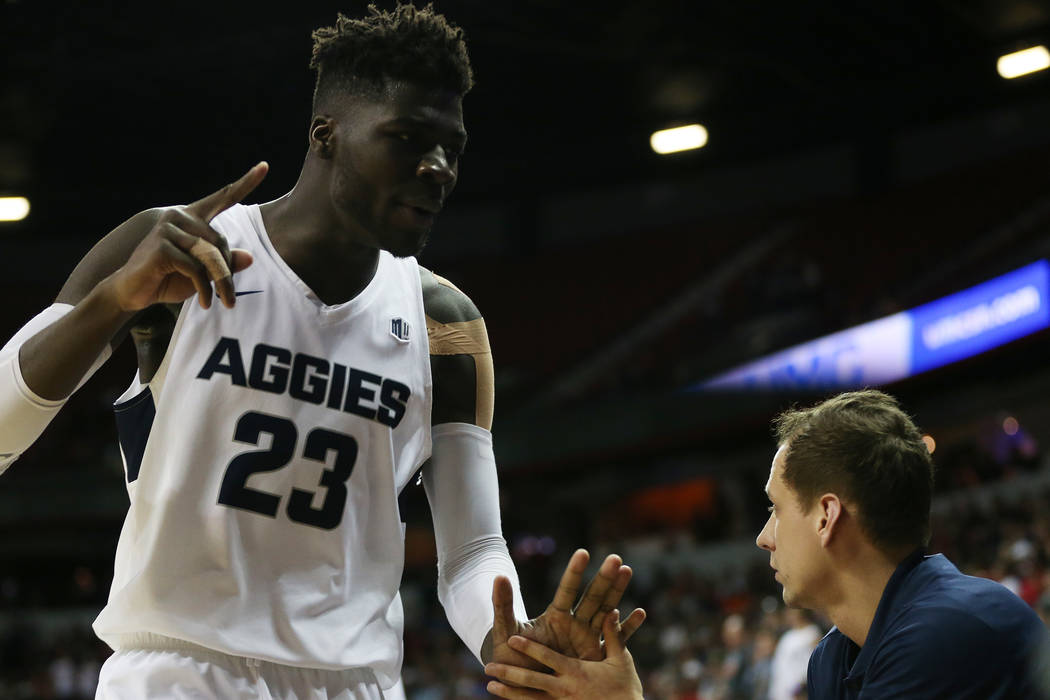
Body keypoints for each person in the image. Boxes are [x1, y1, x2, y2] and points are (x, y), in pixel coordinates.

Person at [0, 4, 642, 697]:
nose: (438, 168)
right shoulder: (178, 247)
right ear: (326, 135)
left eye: (452, 147)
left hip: (356, 682)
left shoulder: (444, 321)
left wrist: (510, 638)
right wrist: (110, 304)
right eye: (408, 137)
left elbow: (472, 549)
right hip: (176, 670)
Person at [484, 390, 1050, 699]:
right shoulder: (836, 656)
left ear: (827, 516)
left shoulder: (951, 632)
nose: (762, 536)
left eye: (776, 509)